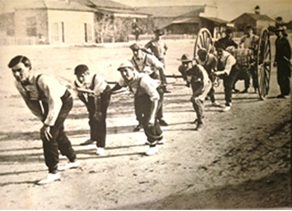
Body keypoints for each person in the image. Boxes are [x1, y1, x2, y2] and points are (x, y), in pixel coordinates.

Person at [8, 55, 79, 185]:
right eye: (14, 71)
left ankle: (53, 172)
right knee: (57, 132)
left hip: (63, 101)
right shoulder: (18, 84)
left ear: (29, 68)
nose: (17, 74)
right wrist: (42, 119)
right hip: (47, 103)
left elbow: (56, 103)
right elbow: (30, 103)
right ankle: (73, 160)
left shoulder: (43, 80)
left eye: (20, 70)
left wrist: (48, 123)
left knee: (48, 134)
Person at [111, 61, 165, 156]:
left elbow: (155, 98)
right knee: (140, 116)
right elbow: (118, 86)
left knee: (148, 120)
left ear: (132, 70)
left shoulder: (143, 80)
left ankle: (153, 145)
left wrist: (152, 116)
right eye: (121, 72)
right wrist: (108, 92)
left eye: (126, 71)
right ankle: (160, 137)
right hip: (141, 95)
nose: (124, 74)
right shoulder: (124, 79)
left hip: (154, 95)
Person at [73, 64, 112, 155]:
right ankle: (93, 137)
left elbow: (97, 95)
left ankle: (100, 145)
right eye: (79, 76)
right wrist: (88, 106)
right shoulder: (76, 82)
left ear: (88, 73)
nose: (81, 79)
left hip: (103, 94)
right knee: (91, 118)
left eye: (83, 76)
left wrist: (97, 111)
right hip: (92, 95)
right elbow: (80, 95)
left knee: (100, 119)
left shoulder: (97, 78)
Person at [129, 43, 168, 131]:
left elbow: (160, 67)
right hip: (141, 81)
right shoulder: (132, 61)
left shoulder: (149, 57)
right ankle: (140, 122)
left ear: (141, 50)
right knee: (138, 102)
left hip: (153, 78)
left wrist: (164, 81)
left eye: (136, 51)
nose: (135, 53)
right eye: (133, 51)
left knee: (158, 97)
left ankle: (160, 118)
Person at [213, 42, 240, 112]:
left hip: (233, 70)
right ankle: (212, 100)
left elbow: (227, 72)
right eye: (217, 50)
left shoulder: (229, 58)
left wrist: (217, 73)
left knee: (228, 85)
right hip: (222, 68)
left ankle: (228, 103)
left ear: (224, 50)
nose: (219, 52)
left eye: (220, 51)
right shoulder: (216, 54)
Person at [186, 63, 212, 130]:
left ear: (191, 63)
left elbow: (205, 82)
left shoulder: (199, 68)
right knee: (197, 103)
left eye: (187, 63)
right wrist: (188, 82)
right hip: (195, 85)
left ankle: (200, 122)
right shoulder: (182, 68)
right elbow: (188, 79)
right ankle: (200, 116)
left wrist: (199, 93)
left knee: (196, 100)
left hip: (204, 85)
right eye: (183, 63)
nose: (185, 65)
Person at [145, 28, 171, 93]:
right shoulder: (152, 42)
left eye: (160, 35)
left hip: (162, 59)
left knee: (163, 72)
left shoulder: (162, 42)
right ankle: (155, 87)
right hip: (154, 59)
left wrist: (164, 52)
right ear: (155, 35)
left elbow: (166, 48)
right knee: (155, 73)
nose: (159, 36)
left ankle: (164, 87)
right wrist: (150, 53)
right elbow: (144, 48)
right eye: (158, 35)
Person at [237, 25, 260, 93]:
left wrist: (256, 49)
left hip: (253, 55)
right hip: (246, 55)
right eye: (247, 31)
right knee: (246, 72)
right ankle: (246, 87)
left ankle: (256, 87)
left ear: (252, 31)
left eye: (249, 30)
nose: (248, 32)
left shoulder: (255, 38)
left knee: (254, 73)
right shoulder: (244, 38)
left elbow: (260, 45)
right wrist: (240, 47)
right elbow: (239, 43)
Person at [273, 26, 291, 98]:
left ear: (281, 32)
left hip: (285, 60)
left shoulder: (285, 40)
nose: (277, 33)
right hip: (280, 61)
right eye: (276, 32)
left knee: (286, 76)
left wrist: (288, 58)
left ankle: (287, 93)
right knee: (280, 77)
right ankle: (282, 92)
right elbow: (277, 52)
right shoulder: (277, 40)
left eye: (278, 32)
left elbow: (290, 50)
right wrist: (275, 61)